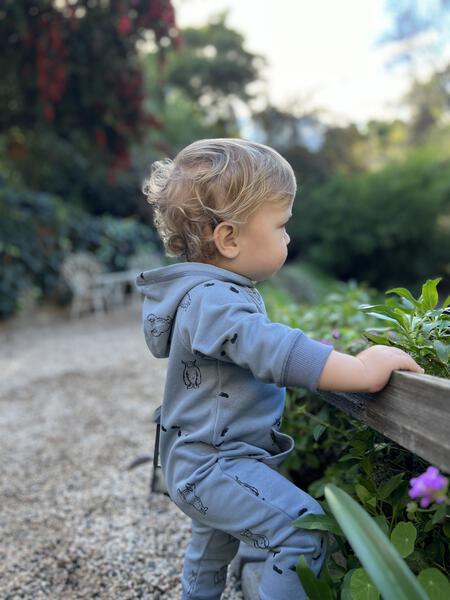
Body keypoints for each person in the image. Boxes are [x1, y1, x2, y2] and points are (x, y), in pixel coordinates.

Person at [135, 138, 424, 600]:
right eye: (281, 226)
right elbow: (270, 348)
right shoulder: (213, 299)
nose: (289, 238)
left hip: (199, 460)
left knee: (210, 553)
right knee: (303, 533)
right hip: (213, 464)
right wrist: (361, 369)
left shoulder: (208, 293)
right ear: (229, 239)